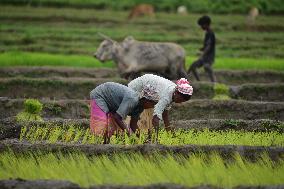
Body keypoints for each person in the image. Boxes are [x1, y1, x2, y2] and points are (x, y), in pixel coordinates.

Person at [128, 74, 193, 138]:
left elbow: (165, 114)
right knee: (131, 113)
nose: (179, 102)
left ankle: (141, 137)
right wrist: (155, 138)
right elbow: (156, 118)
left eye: (182, 101)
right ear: (176, 93)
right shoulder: (166, 96)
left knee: (135, 117)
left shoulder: (172, 92)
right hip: (139, 86)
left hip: (148, 86)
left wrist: (169, 133)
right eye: (179, 99)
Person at [90, 82, 155, 143]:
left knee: (112, 129)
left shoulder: (140, 107)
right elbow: (117, 117)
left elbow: (133, 124)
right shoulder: (133, 99)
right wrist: (129, 134)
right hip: (101, 95)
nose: (153, 106)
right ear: (146, 100)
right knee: (101, 125)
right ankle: (96, 147)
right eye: (153, 104)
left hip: (113, 105)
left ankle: (105, 147)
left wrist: (142, 139)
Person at [188, 15, 216, 82]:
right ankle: (199, 82)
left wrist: (202, 54)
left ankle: (214, 82)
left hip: (209, 57)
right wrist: (201, 49)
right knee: (192, 67)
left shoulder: (210, 33)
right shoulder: (207, 33)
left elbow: (209, 47)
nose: (201, 27)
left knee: (207, 67)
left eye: (202, 25)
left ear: (206, 24)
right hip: (205, 56)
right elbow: (206, 46)